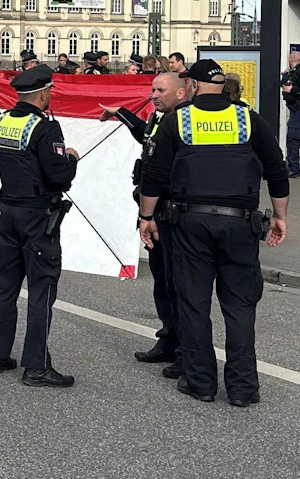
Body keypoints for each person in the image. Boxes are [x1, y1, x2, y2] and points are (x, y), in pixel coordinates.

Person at [139, 59, 291, 407]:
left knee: (193, 303)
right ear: (223, 86)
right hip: (241, 223)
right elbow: (277, 169)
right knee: (239, 306)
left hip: (190, 223)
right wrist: (280, 216)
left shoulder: (179, 119)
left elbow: (155, 173)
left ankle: (200, 382)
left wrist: (146, 216)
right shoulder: (247, 118)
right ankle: (242, 388)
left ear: (191, 86)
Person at [0, 65, 79, 388]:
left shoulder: (0, 122)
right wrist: (71, 159)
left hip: (8, 211)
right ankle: (36, 366)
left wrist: (14, 166)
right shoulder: (45, 128)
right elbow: (60, 176)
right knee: (41, 289)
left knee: (6, 284)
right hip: (38, 216)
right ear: (44, 93)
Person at [101, 73, 190, 375]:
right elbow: (145, 136)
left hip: (173, 212)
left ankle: (184, 351)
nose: (153, 95)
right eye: (152, 89)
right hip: (155, 214)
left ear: (181, 93)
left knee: (179, 283)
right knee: (162, 281)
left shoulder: (182, 123)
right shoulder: (158, 118)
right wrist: (122, 114)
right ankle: (168, 339)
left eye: (160, 90)